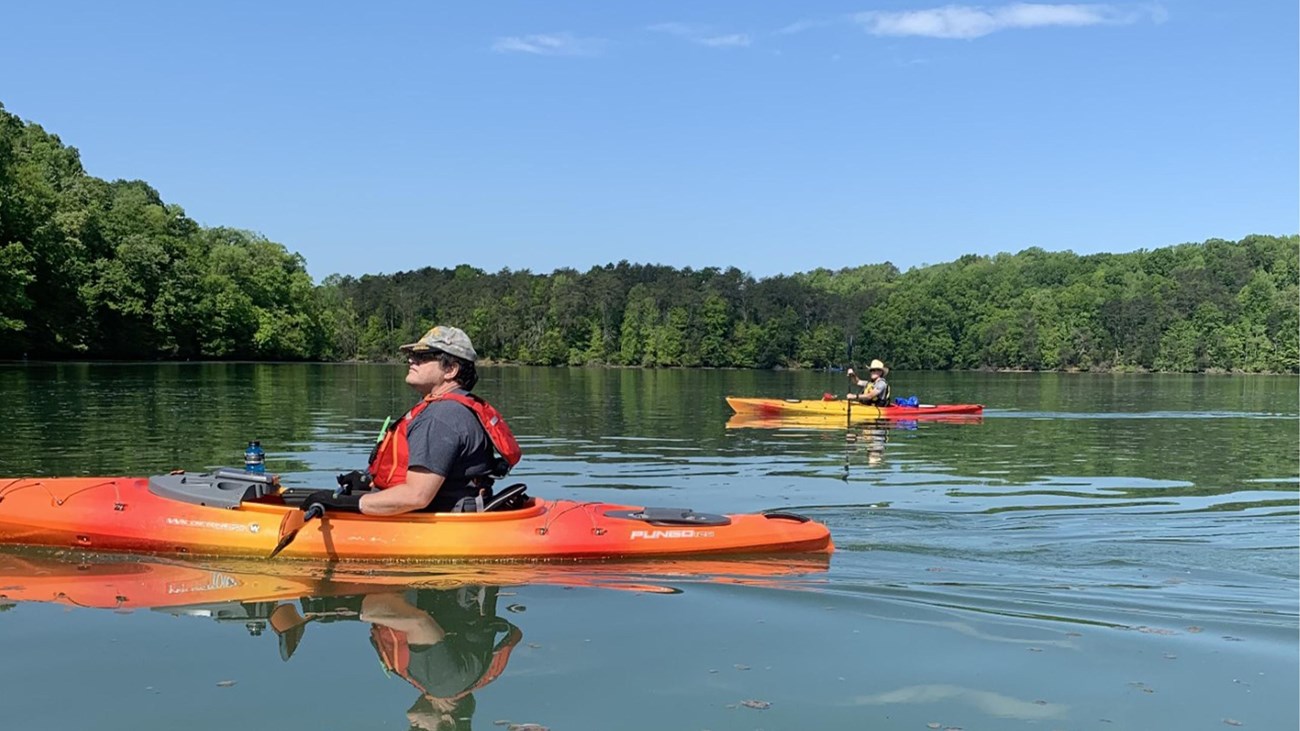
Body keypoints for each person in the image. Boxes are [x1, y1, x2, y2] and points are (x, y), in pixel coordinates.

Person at [300, 326, 521, 515]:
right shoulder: (456, 408)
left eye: (423, 357)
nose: (411, 360)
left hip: (440, 522)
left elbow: (417, 496)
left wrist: (342, 502)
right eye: (413, 355)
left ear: (451, 369)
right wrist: (369, 482)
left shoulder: (440, 417)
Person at [364, 587, 522, 731]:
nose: (411, 726)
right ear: (447, 722)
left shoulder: (462, 683)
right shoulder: (440, 683)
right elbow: (419, 623)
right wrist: (349, 609)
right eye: (419, 730)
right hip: (441, 572)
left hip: (462, 577)